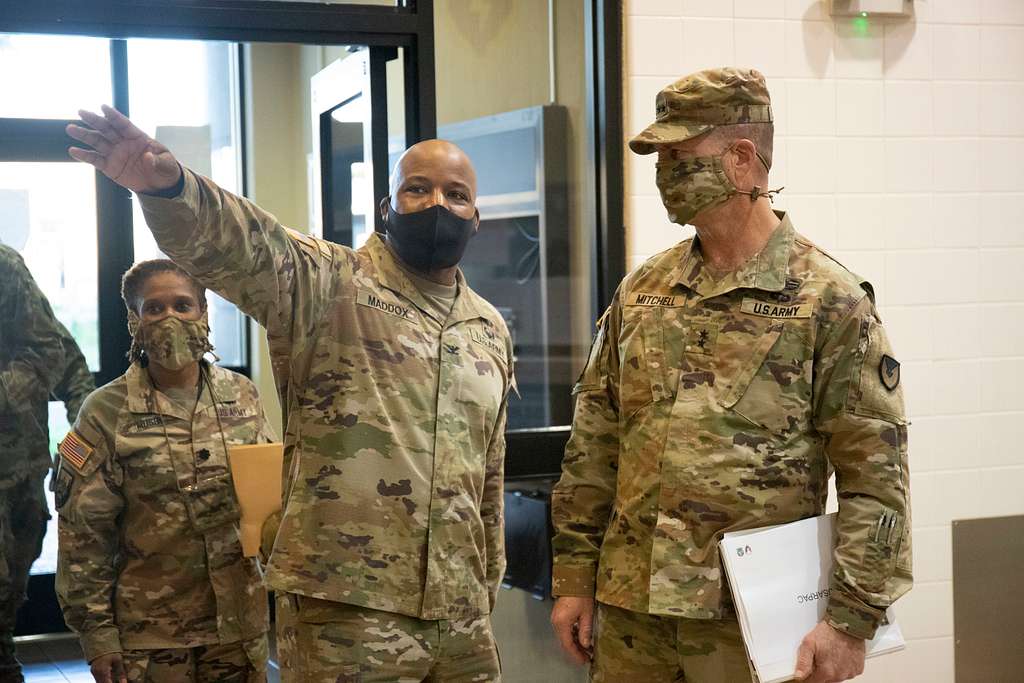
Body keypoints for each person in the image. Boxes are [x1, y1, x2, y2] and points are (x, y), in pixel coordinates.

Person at [66, 106, 515, 682]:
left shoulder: (487, 328)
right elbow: (248, 245)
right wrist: (171, 188)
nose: (437, 206)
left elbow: (490, 472)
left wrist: (486, 581)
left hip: (461, 616)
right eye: (417, 189)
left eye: (456, 195)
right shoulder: (329, 284)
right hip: (348, 611)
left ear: (475, 216)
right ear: (388, 207)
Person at [549, 68, 912, 683]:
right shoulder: (644, 290)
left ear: (743, 160)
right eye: (660, 160)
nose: (664, 175)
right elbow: (595, 444)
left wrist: (853, 618)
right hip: (633, 614)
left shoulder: (829, 300)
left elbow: (875, 476)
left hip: (752, 625)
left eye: (680, 156)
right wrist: (575, 578)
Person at [55, 259, 276, 683]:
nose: (170, 318)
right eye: (154, 309)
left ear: (204, 311)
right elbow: (84, 534)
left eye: (183, 305)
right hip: (150, 634)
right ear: (134, 321)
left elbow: (267, 503)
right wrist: (98, 634)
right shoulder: (105, 411)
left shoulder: (242, 396)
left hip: (238, 625)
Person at [0, 242, 94, 683]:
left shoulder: (5, 269)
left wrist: (78, 454)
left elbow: (57, 356)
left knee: (7, 587)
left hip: (12, 465)